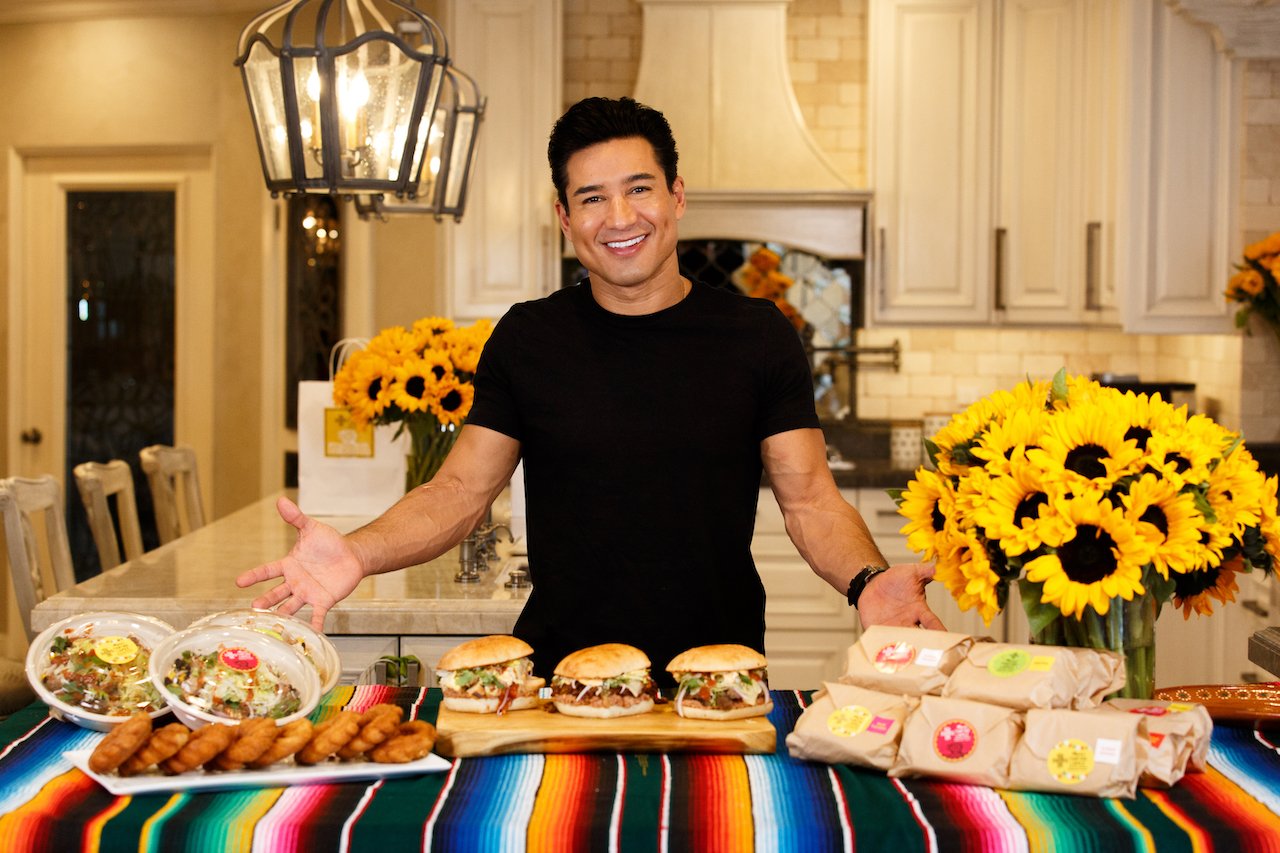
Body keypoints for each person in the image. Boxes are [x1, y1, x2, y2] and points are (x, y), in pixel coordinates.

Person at [237, 96, 942, 679]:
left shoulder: (758, 334)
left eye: (639, 188)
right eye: (593, 197)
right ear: (565, 217)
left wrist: (866, 580)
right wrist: (357, 552)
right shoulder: (528, 338)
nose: (620, 217)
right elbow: (458, 491)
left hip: (716, 675)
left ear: (676, 195)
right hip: (560, 676)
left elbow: (811, 497)